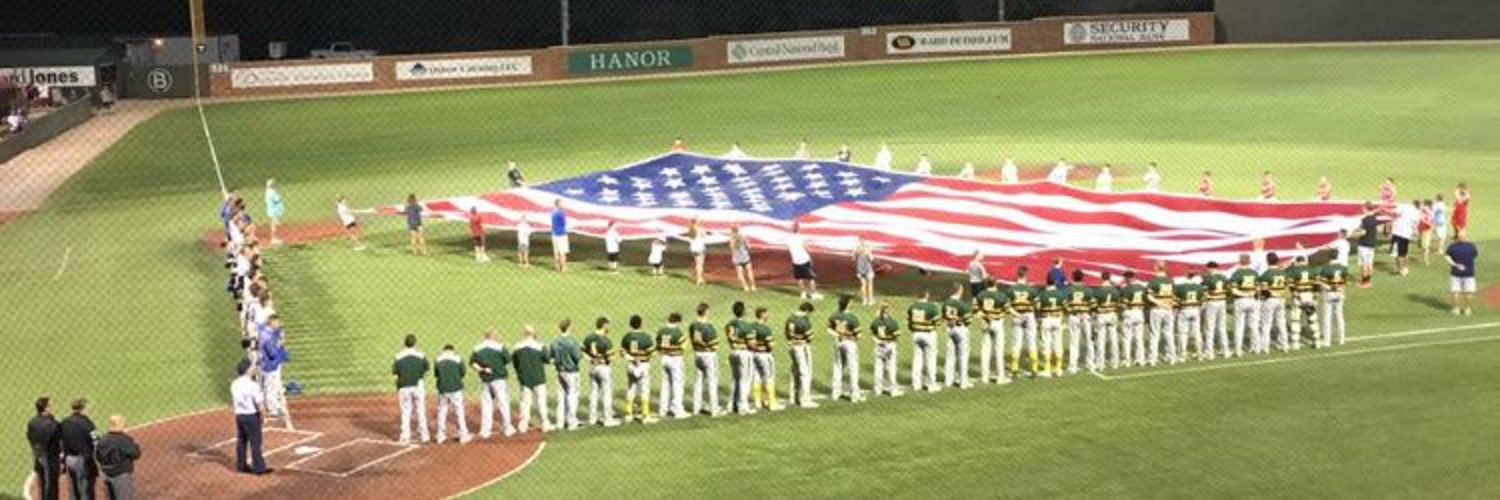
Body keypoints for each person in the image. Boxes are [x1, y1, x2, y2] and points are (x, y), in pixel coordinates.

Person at [470, 329, 515, 439]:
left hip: (485, 379)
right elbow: (508, 360)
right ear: (493, 336)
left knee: (486, 404)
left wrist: (482, 369)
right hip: (498, 378)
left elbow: (473, 364)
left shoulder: (477, 348)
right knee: (503, 403)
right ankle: (507, 428)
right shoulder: (500, 347)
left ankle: (485, 431)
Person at [231, 360, 271, 473]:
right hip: (251, 416)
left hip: (239, 415)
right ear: (247, 370)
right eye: (252, 367)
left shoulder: (234, 384)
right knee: (255, 442)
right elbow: (259, 404)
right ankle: (259, 468)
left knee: (241, 441)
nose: (254, 369)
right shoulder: (252, 385)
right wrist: (263, 416)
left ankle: (241, 465)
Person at [512, 326, 552, 432]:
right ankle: (545, 424)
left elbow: (515, 363)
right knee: (541, 402)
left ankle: (523, 425)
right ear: (534, 334)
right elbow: (548, 360)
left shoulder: (517, 347)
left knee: (525, 403)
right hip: (539, 378)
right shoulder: (540, 346)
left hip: (524, 378)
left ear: (524, 334)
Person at [392, 334, 430, 445]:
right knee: (420, 410)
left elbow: (395, 375)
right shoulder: (421, 355)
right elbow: (426, 370)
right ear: (415, 343)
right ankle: (424, 436)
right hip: (418, 386)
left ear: (404, 343)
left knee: (405, 411)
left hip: (404, 387)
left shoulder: (398, 356)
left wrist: (399, 386)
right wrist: (420, 378)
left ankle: (405, 436)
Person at [545, 321, 583, 431]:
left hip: (560, 371)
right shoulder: (572, 341)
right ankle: (572, 422)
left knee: (561, 396)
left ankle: (560, 422)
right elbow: (577, 357)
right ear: (569, 328)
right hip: (571, 372)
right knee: (572, 395)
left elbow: (550, 357)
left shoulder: (554, 342)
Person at [583, 318, 621, 427]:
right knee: (606, 393)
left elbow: (583, 351)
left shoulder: (589, 338)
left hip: (593, 367)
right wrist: (614, 356)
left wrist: (591, 359)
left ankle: (592, 418)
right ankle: (608, 419)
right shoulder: (605, 340)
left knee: (593, 393)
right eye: (607, 325)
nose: (608, 328)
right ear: (604, 326)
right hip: (603, 368)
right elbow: (610, 357)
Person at [257, 315, 291, 430]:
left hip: (268, 365)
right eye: (277, 322)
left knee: (271, 386)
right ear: (271, 323)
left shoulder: (266, 331)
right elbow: (272, 353)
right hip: (270, 365)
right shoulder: (267, 336)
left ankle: (274, 406)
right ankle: (272, 409)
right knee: (270, 387)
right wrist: (280, 343)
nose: (278, 324)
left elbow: (262, 327)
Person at [620, 316, 657, 423]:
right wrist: (642, 357)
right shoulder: (646, 337)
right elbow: (651, 353)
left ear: (630, 324)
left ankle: (628, 414)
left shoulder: (626, 337)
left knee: (631, 388)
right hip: (643, 365)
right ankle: (645, 416)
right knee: (644, 390)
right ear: (641, 324)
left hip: (631, 365)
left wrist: (632, 358)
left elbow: (622, 352)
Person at [93, 415, 139, 500]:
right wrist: (136, 446)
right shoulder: (124, 439)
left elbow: (97, 456)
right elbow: (136, 454)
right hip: (121, 475)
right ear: (119, 424)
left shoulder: (103, 439)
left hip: (106, 474)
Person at [688, 303, 722, 416]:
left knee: (698, 382)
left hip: (698, 354)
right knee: (712, 382)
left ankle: (696, 408)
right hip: (708, 355)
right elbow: (698, 339)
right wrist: (707, 346)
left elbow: (696, 339)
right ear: (706, 312)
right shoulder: (705, 326)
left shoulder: (694, 325)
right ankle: (714, 409)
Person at [433, 344, 471, 444]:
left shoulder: (438, 359)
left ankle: (440, 436)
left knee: (442, 411)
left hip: (443, 389)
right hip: (455, 388)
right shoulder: (457, 359)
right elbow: (462, 372)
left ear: (444, 350)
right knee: (459, 411)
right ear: (452, 350)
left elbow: (436, 374)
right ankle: (463, 435)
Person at [827, 295, 863, 402]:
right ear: (847, 304)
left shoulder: (834, 315)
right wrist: (852, 336)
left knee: (838, 367)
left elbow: (829, 329)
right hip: (850, 343)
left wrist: (837, 335)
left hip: (838, 342)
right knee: (853, 368)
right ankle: (854, 395)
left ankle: (835, 393)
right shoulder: (852, 317)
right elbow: (858, 334)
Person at [60, 398, 97, 500]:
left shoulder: (64, 422)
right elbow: (96, 441)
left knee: (73, 490)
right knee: (85, 490)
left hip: (69, 459)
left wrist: (62, 458)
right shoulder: (87, 423)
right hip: (83, 460)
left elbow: (60, 441)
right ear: (83, 409)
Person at [747, 307, 783, 411]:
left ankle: (757, 402)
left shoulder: (751, 327)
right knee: (769, 377)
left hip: (754, 354)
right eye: (766, 314)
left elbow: (749, 341)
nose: (768, 316)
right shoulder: (765, 329)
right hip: (764, 355)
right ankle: (772, 403)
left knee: (756, 377)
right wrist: (770, 346)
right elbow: (770, 345)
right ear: (762, 315)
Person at [1006, 267, 1040, 376]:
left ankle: (1014, 369)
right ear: (1026, 275)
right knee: (1031, 342)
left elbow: (1007, 306)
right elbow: (1038, 305)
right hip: (1029, 315)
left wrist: (1016, 314)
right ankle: (1034, 369)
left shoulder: (1011, 290)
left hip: (1017, 316)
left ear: (1017, 275)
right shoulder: (1031, 290)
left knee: (1016, 343)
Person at [784, 302, 817, 408]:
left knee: (794, 372)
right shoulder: (804, 321)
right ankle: (805, 399)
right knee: (805, 373)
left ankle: (793, 397)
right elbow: (810, 337)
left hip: (792, 346)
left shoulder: (790, 318)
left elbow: (786, 334)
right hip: (801, 347)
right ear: (807, 310)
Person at [976, 279, 1010, 384]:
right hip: (997, 322)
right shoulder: (1001, 295)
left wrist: (986, 315)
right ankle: (1000, 377)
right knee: (999, 350)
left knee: (985, 350)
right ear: (995, 283)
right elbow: (1007, 309)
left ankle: (984, 377)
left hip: (985, 323)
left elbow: (977, 310)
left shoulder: (981, 295)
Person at [655, 313, 689, 419]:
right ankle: (677, 410)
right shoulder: (677, 332)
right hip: (675, 359)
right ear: (678, 321)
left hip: (664, 358)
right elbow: (683, 347)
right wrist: (687, 340)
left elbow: (658, 346)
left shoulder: (661, 331)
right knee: (677, 384)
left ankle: (663, 409)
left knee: (665, 384)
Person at [907, 290, 941, 391]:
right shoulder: (931, 307)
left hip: (916, 334)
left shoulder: (912, 307)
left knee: (917, 359)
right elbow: (938, 322)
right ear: (927, 295)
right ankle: (931, 384)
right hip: (928, 334)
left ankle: (916, 384)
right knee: (930, 359)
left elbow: (909, 322)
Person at [942, 282, 975, 387]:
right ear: (959, 290)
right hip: (960, 329)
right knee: (963, 356)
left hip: (949, 329)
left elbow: (944, 317)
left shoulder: (946, 303)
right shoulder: (961, 304)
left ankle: (948, 380)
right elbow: (968, 320)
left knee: (950, 355)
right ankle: (963, 382)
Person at [29, 397, 63, 500]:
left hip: (37, 454)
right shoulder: (53, 424)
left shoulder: (32, 422)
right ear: (46, 408)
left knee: (42, 483)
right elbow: (59, 440)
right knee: (52, 484)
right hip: (51, 456)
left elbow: (30, 437)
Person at [725, 302, 755, 415]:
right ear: (743, 311)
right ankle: (743, 406)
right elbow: (751, 343)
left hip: (733, 351)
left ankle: (731, 404)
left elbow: (729, 336)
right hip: (744, 353)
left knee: (735, 379)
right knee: (745, 380)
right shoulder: (747, 326)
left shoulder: (729, 324)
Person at [1145, 262, 1177, 366]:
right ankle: (1172, 357)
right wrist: (1169, 304)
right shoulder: (1170, 280)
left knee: (1155, 334)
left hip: (1157, 309)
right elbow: (1173, 296)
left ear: (1156, 268)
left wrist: (1160, 303)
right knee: (1169, 333)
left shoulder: (1153, 281)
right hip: (1168, 309)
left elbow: (1149, 297)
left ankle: (1152, 359)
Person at [1063, 270, 1095, 374]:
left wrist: (1070, 310)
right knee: (1089, 341)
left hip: (1074, 316)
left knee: (1074, 342)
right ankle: (1091, 364)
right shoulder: (1087, 289)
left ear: (1073, 277)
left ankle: (1073, 366)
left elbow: (1064, 303)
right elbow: (1093, 304)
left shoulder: (1069, 289)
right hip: (1085, 316)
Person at [1287, 256, 1321, 351]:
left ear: (1297, 262)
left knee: (1296, 319)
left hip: (1299, 295)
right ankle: (1317, 341)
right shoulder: (1313, 270)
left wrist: (1296, 295)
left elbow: (1291, 285)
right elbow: (1317, 285)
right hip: (1310, 295)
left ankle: (1296, 344)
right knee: (1312, 318)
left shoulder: (1294, 271)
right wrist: (1315, 296)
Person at [1259, 253, 1292, 353]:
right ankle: (1285, 345)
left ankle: (1265, 347)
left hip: (1270, 299)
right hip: (1281, 299)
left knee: (1266, 324)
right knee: (1281, 323)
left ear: (1267, 261)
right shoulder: (1283, 273)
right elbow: (1287, 286)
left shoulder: (1266, 274)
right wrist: (1281, 293)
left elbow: (1264, 290)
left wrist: (1272, 293)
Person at [1036, 275, 1067, 377]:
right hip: (1057, 319)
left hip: (1046, 319)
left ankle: (1047, 369)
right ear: (1055, 282)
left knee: (1046, 344)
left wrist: (1039, 318)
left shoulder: (1042, 293)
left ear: (1047, 282)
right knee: (1058, 343)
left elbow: (1037, 307)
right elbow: (1065, 307)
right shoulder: (1060, 293)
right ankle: (1058, 369)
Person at [870, 301, 903, 396]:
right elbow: (897, 334)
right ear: (888, 310)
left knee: (878, 368)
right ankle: (893, 390)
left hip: (878, 345)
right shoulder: (892, 322)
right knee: (891, 368)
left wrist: (878, 340)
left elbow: (872, 333)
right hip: (889, 345)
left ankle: (877, 389)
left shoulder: (876, 321)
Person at [1092, 272, 1122, 370]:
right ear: (1110, 278)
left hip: (1102, 315)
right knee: (1114, 339)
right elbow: (1119, 303)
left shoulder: (1098, 290)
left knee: (1101, 339)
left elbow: (1093, 304)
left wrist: (1098, 310)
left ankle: (1100, 364)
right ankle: (1115, 362)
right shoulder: (1115, 290)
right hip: (1112, 314)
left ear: (1102, 278)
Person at [1445, 230, 1478, 316]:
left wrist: (1454, 264)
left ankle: (1456, 309)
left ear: (1457, 237)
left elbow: (1447, 256)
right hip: (1469, 273)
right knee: (1469, 292)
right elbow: (1475, 255)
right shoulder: (1471, 246)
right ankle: (1467, 309)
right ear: (1466, 237)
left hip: (1455, 273)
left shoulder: (1452, 246)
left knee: (1455, 291)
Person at [1201, 262, 1230, 360]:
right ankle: (1225, 350)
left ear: (1210, 268)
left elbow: (1204, 293)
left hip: (1212, 302)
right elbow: (1229, 290)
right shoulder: (1224, 277)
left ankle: (1209, 352)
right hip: (1222, 302)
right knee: (1222, 327)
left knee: (1210, 327)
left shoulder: (1208, 278)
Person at [1318, 259, 1350, 348]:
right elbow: (1346, 282)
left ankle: (1327, 341)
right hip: (1340, 293)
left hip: (1329, 294)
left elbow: (1321, 282)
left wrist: (1330, 287)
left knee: (1327, 317)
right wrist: (1340, 287)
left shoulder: (1326, 269)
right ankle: (1342, 339)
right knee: (1339, 317)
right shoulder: (1343, 268)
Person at [1174, 272, 1205, 361]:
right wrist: (1198, 302)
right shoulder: (1198, 287)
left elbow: (1174, 297)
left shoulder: (1180, 287)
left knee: (1183, 333)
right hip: (1195, 309)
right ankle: (1200, 353)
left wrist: (1180, 301)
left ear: (1185, 276)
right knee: (1197, 332)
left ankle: (1183, 354)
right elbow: (1203, 297)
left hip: (1185, 309)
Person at [1120, 272, 1148, 366]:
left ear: (1129, 278)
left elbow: (1124, 304)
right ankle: (1140, 359)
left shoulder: (1126, 289)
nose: (1124, 279)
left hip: (1129, 312)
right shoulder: (1141, 287)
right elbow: (1146, 300)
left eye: (1125, 277)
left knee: (1127, 338)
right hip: (1139, 312)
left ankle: (1126, 360)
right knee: (1139, 338)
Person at [787, 222, 821, 300]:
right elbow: (805, 247)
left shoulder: (789, 238)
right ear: (799, 229)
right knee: (811, 277)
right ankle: (813, 294)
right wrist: (810, 256)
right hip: (804, 259)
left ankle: (803, 293)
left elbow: (789, 248)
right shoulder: (800, 237)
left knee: (799, 277)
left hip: (795, 260)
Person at [1354, 202, 1379, 288]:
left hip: (1364, 244)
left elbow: (1363, 233)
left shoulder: (1364, 220)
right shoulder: (1374, 219)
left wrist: (1354, 234)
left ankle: (1364, 283)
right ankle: (1368, 281)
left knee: (1363, 264)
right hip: (1371, 244)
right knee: (1369, 263)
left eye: (1363, 208)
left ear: (1365, 209)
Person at [1391, 199, 1419, 276]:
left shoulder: (1402, 207)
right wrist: (1414, 231)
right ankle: (1405, 268)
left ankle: (1400, 269)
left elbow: (1393, 212)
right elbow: (1415, 224)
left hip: (1398, 233)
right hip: (1406, 234)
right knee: (1405, 252)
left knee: (1398, 253)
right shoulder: (1415, 211)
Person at [729, 225, 756, 292]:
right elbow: (748, 247)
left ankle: (745, 287)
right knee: (749, 272)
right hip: (745, 256)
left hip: (737, 258)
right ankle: (753, 287)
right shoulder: (743, 237)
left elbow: (731, 248)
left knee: (740, 274)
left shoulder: (732, 238)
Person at [853, 236, 875, 305]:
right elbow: (871, 259)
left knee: (863, 285)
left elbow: (854, 258)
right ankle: (870, 300)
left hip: (860, 269)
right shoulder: (867, 249)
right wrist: (869, 253)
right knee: (870, 284)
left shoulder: (857, 249)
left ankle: (864, 300)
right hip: (868, 269)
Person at [264, 179, 285, 246]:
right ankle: (274, 239)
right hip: (274, 210)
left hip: (271, 210)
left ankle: (275, 238)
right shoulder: (272, 192)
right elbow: (277, 199)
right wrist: (277, 192)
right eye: (274, 184)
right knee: (275, 225)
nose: (276, 185)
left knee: (274, 224)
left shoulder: (267, 192)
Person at [550, 199, 569, 272]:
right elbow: (564, 223)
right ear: (559, 204)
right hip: (561, 234)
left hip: (554, 234)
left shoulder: (553, 213)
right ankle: (563, 267)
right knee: (562, 252)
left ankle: (557, 267)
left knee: (556, 252)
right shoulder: (561, 213)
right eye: (561, 203)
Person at [689, 219, 707, 285]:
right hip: (700, 247)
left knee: (698, 263)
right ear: (696, 222)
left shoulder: (690, 229)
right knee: (700, 264)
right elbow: (704, 235)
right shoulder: (700, 229)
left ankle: (701, 278)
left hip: (693, 247)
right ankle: (699, 279)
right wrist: (703, 229)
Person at [1417, 200, 1434, 265]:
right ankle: (1424, 258)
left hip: (1427, 230)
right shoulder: (1422, 211)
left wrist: (1423, 220)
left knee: (1426, 246)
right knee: (1423, 246)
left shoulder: (1430, 213)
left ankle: (1426, 260)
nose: (1423, 206)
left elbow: (1430, 223)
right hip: (1421, 230)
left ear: (1428, 206)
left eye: (1425, 205)